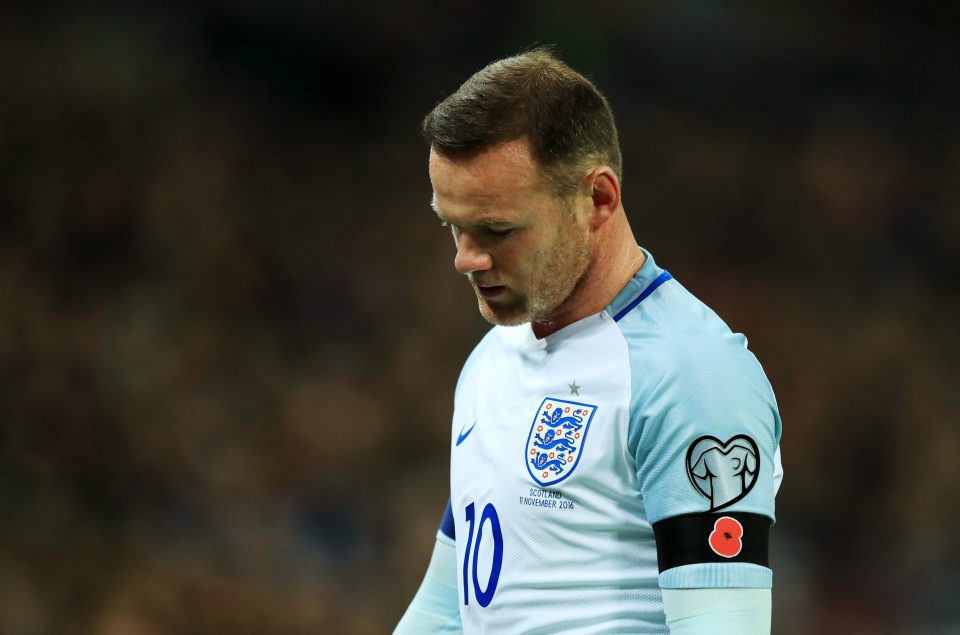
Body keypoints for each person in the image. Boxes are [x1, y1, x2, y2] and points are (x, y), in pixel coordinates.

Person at [394, 48, 783, 635]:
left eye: (498, 229)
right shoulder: (491, 358)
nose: (464, 258)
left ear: (598, 199)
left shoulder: (691, 376)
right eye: (453, 224)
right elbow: (448, 609)